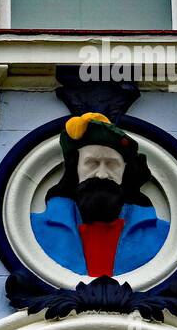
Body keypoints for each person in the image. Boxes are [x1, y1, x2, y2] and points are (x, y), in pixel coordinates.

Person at [30, 113, 169, 277]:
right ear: (75, 168)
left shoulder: (161, 234)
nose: (102, 174)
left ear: (125, 170)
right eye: (91, 163)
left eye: (112, 164)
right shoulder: (36, 228)